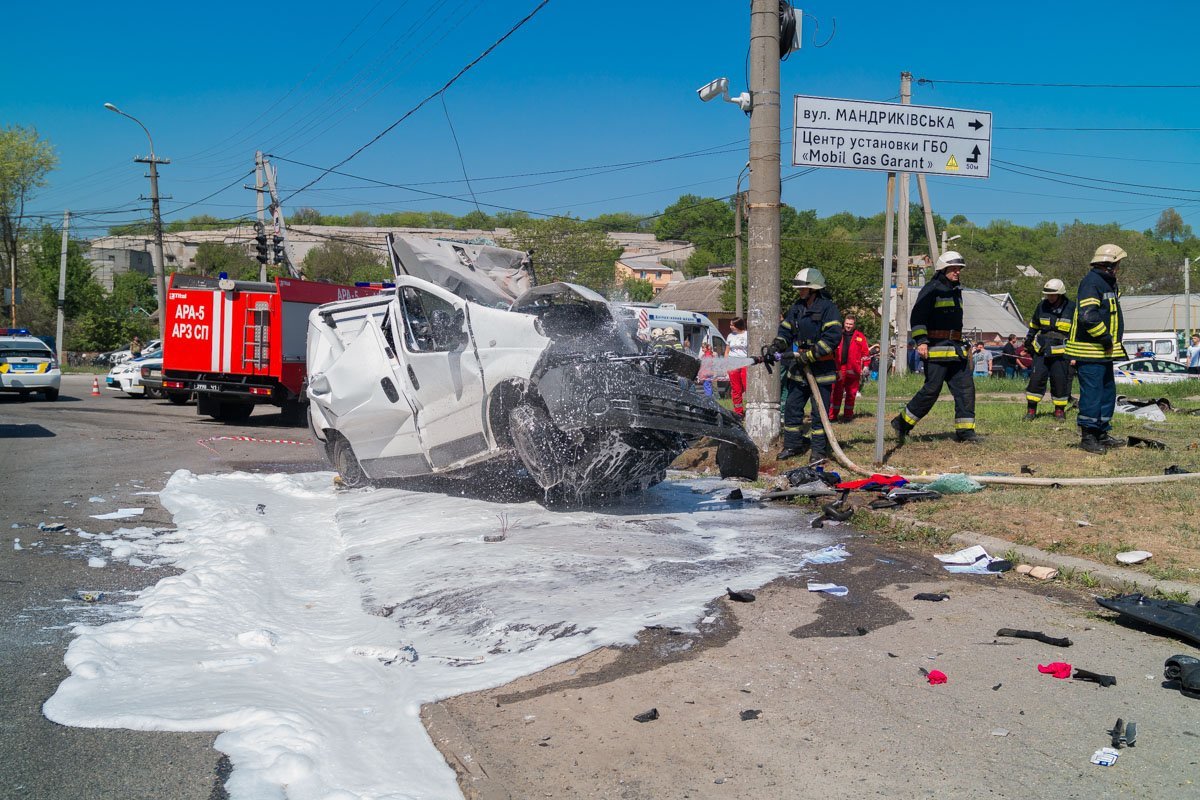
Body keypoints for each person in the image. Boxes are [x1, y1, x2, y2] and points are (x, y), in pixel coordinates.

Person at [891, 250, 978, 443]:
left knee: (966, 390)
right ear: (942, 269)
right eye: (954, 269)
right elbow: (918, 317)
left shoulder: (957, 292)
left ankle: (965, 432)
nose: (958, 272)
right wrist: (921, 341)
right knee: (931, 390)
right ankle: (902, 423)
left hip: (956, 350)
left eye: (959, 269)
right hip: (936, 349)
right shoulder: (931, 289)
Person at [768, 268, 841, 461]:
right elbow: (786, 331)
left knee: (819, 413)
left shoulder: (828, 308)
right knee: (792, 407)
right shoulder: (797, 308)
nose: (799, 291)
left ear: (814, 289)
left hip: (821, 369)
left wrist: (811, 354)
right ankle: (793, 445)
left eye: (803, 288)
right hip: (799, 369)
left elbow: (832, 338)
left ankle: (818, 451)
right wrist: (777, 344)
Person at [1066, 244, 1128, 454]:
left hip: (1103, 353)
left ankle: (1101, 432)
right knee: (1092, 394)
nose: (1119, 268)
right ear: (1110, 265)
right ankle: (1088, 436)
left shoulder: (1106, 283)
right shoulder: (1092, 283)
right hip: (1091, 351)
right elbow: (1087, 316)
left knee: (1107, 393)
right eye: (1118, 265)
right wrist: (1105, 337)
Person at [1022, 278, 1075, 421]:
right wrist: (1028, 340)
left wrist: (1074, 355)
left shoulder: (1072, 308)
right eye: (1047, 295)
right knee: (1036, 380)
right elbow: (1034, 325)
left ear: (1060, 294)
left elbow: (1076, 333)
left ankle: (1059, 411)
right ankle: (1031, 411)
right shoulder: (1042, 306)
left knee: (1060, 382)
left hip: (1061, 353)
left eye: (1052, 295)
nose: (1049, 297)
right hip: (1041, 350)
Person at [829, 315, 870, 422]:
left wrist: (866, 366)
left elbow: (865, 353)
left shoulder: (860, 336)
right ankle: (832, 416)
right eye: (847, 323)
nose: (848, 326)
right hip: (839, 368)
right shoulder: (838, 335)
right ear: (844, 323)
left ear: (854, 325)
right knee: (836, 392)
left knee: (851, 393)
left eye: (850, 324)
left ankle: (848, 416)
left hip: (853, 368)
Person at [724, 317, 749, 418]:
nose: (730, 327)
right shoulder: (730, 336)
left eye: (732, 325)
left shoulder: (748, 335)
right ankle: (738, 412)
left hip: (745, 363)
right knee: (736, 389)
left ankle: (751, 409)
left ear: (738, 325)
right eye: (730, 325)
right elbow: (727, 351)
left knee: (747, 386)